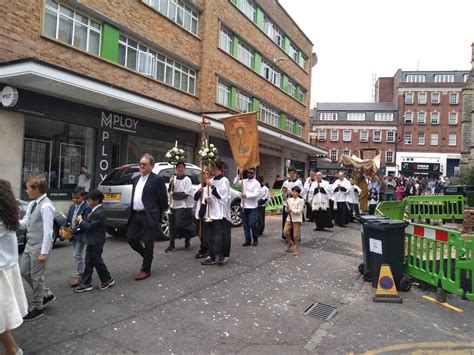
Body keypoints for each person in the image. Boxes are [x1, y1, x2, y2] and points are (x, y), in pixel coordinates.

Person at [19, 176, 56, 321]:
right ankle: (45, 293)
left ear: (37, 189)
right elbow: (25, 223)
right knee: (24, 271)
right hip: (30, 243)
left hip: (40, 245)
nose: (26, 190)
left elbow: (48, 231)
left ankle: (37, 307)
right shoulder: (33, 204)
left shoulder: (46, 206)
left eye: (28, 188)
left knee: (37, 276)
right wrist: (12, 221)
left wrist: (44, 252)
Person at [127, 154, 168, 281]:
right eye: (140, 163)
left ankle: (146, 269)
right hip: (135, 214)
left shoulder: (157, 180)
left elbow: (163, 200)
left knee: (148, 242)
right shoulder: (135, 178)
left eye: (144, 164)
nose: (141, 166)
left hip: (148, 215)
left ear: (151, 166)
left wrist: (156, 213)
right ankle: (147, 256)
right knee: (131, 239)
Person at [0, 179, 28, 355]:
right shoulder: (8, 217)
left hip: (1, 272)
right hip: (6, 269)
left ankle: (13, 350)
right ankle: (12, 349)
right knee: (3, 317)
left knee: (2, 317)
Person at [74, 189, 115, 292]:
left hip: (96, 241)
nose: (88, 202)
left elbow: (89, 226)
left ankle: (107, 279)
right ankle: (86, 282)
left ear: (96, 201)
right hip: (92, 240)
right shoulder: (94, 210)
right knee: (89, 261)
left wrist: (81, 221)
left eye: (89, 200)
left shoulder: (99, 213)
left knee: (97, 261)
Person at [60, 187, 90, 288]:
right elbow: (68, 220)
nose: (75, 200)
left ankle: (82, 276)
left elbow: (84, 223)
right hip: (73, 235)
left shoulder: (86, 208)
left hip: (81, 235)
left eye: (77, 198)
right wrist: (63, 228)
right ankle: (84, 274)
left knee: (77, 255)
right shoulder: (72, 207)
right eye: (73, 198)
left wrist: (72, 232)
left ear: (83, 197)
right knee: (79, 256)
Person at [165, 162, 195, 253]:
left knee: (179, 225)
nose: (180, 169)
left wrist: (174, 194)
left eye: (181, 167)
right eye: (178, 167)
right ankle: (171, 244)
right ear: (176, 169)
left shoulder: (187, 180)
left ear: (184, 168)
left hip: (183, 205)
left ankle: (187, 237)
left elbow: (186, 193)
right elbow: (169, 190)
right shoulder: (173, 178)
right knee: (171, 224)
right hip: (173, 205)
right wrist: (170, 183)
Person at [208, 161, 232, 265]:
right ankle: (212, 255)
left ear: (216, 168)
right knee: (211, 235)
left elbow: (222, 196)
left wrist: (212, 187)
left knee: (222, 235)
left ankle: (223, 255)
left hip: (221, 212)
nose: (209, 169)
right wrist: (207, 199)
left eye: (211, 167)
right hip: (212, 211)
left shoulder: (224, 180)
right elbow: (210, 194)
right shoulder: (212, 180)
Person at [234, 168, 261, 247]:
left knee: (252, 223)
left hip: (252, 206)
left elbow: (257, 194)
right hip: (244, 206)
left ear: (254, 173)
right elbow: (235, 183)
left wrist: (246, 195)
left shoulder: (256, 183)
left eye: (251, 173)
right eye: (248, 173)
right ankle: (247, 239)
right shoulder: (244, 181)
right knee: (245, 225)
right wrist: (239, 174)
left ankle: (255, 238)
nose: (249, 174)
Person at [280, 167, 304, 239]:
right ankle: (286, 235)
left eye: (293, 173)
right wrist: (285, 193)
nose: (291, 174)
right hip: (287, 203)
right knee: (286, 220)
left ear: (295, 173)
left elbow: (302, 193)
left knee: (295, 221)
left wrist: (293, 193)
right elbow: (282, 191)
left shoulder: (298, 182)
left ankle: (295, 236)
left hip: (295, 204)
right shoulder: (285, 182)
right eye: (290, 173)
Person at [283, 186, 305, 256]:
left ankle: (296, 247)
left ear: (298, 193)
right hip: (289, 218)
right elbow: (286, 210)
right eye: (293, 191)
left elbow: (299, 211)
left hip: (297, 219)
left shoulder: (301, 200)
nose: (294, 193)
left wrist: (291, 210)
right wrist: (287, 209)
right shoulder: (289, 200)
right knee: (285, 232)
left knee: (296, 235)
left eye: (296, 192)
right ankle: (289, 242)